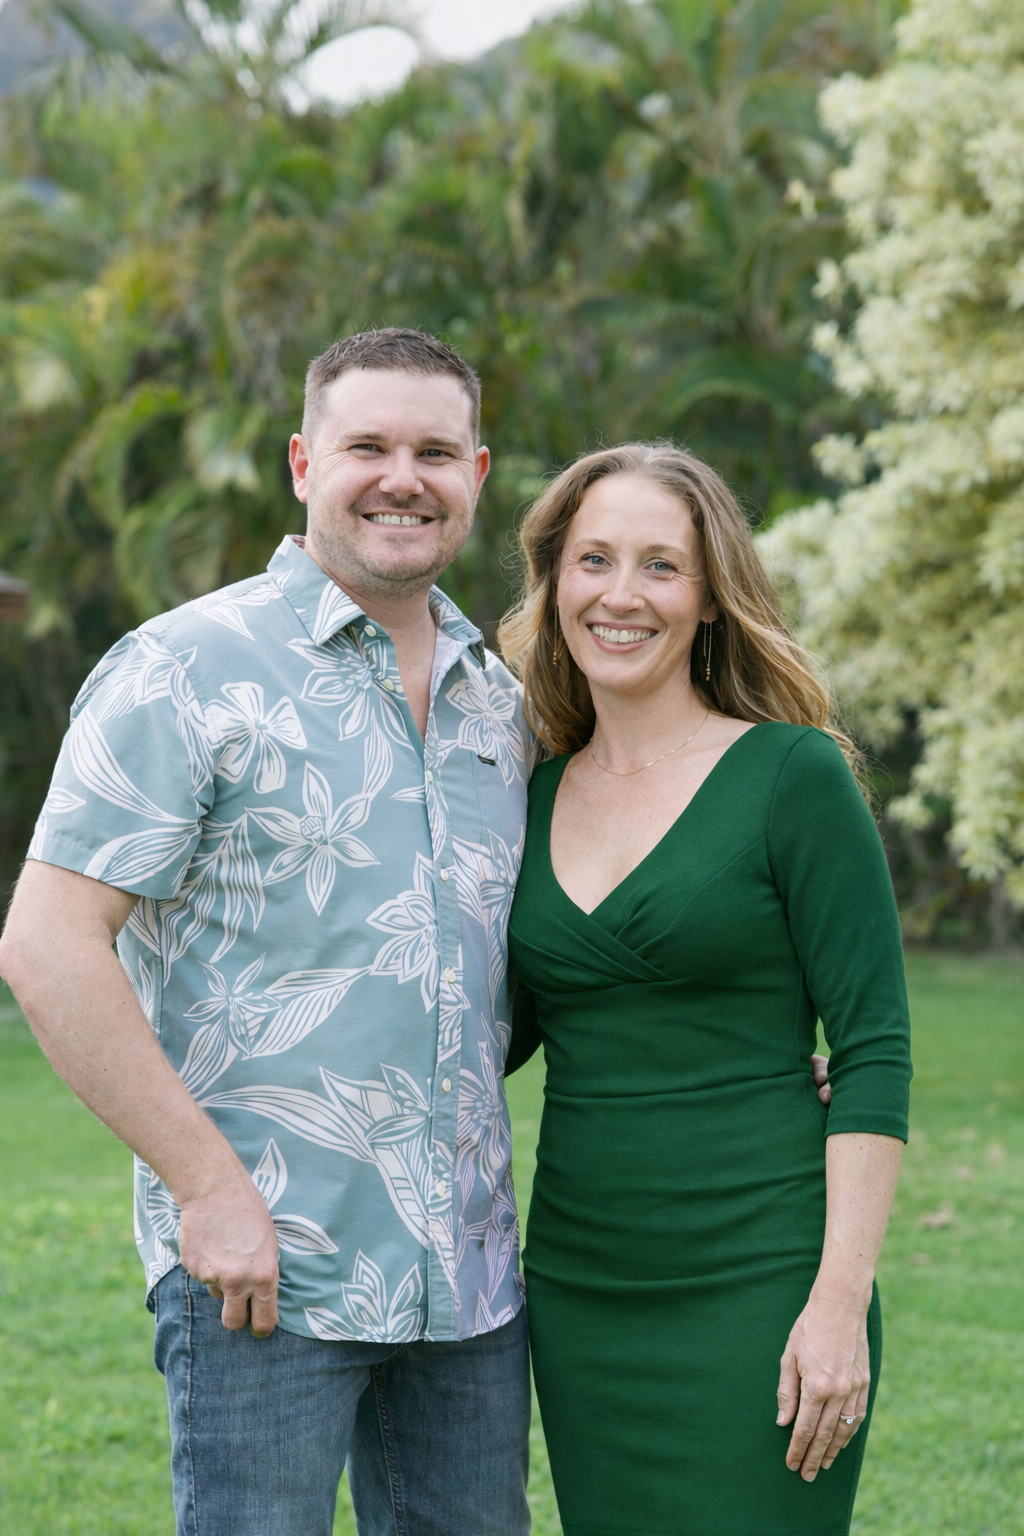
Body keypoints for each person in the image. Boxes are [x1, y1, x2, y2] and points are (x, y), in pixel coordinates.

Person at [0, 328, 533, 1536]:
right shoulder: (183, 671)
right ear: (304, 462)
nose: (404, 476)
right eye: (369, 446)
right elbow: (47, 944)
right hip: (263, 1269)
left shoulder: (498, 701)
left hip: (468, 1282)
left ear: (478, 476)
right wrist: (207, 1190)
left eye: (435, 451)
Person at [498, 443, 912, 1536]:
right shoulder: (526, 796)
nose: (619, 595)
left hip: (764, 1279)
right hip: (583, 1291)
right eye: (592, 560)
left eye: (659, 567)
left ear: (711, 598)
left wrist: (835, 1307)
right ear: (552, 582)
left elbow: (872, 1049)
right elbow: (487, 1031)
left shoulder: (793, 776)